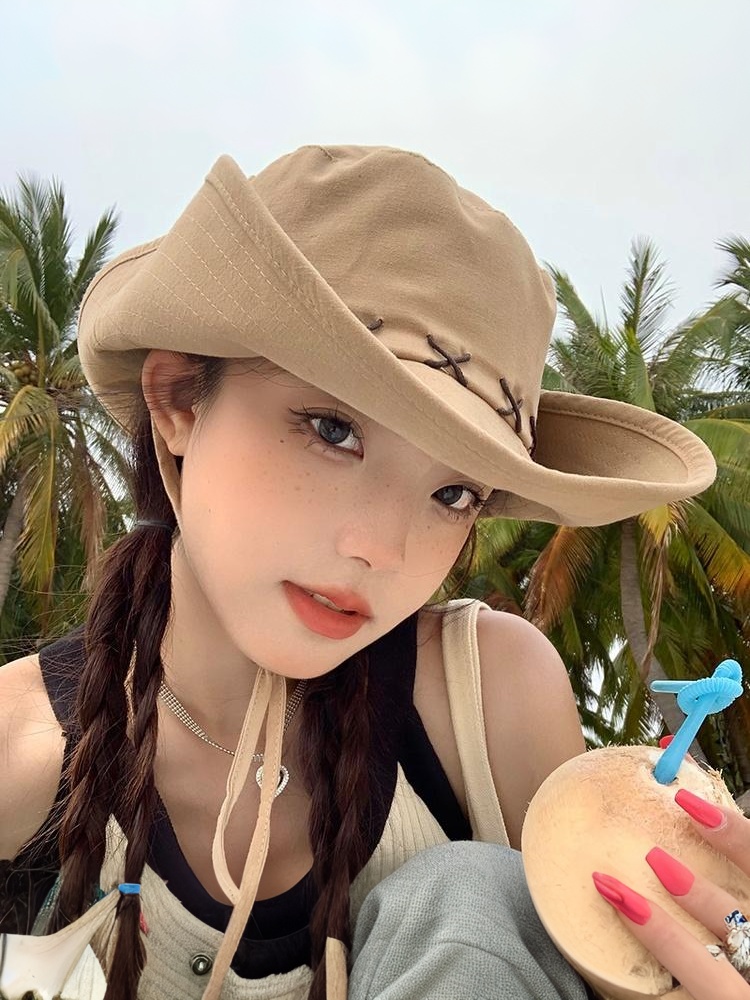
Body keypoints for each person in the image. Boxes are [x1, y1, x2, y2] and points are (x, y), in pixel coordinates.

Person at [0, 144, 737, 1000]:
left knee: (466, 898)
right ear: (177, 401)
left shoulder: (486, 702)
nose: (383, 549)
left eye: (454, 493)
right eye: (332, 430)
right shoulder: (21, 752)